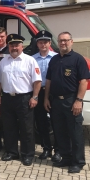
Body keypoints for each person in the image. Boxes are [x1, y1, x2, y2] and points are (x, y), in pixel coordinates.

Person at [44, 32, 90, 173]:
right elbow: (49, 81)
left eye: (65, 40)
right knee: (60, 132)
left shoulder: (78, 59)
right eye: (60, 41)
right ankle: (66, 158)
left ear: (71, 41)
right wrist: (46, 98)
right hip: (56, 102)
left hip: (72, 101)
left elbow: (84, 81)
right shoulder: (54, 59)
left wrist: (79, 101)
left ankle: (78, 162)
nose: (63, 43)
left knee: (75, 133)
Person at [0, 34, 41, 166]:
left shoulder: (30, 60)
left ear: (22, 46)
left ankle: (27, 154)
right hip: (7, 98)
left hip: (24, 99)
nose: (14, 47)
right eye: (11, 45)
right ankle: (11, 152)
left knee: (26, 128)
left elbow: (37, 81)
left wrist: (35, 97)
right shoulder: (4, 61)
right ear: (9, 46)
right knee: (9, 127)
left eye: (17, 45)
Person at [32, 30, 60, 162]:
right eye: (40, 42)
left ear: (50, 43)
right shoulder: (32, 59)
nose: (43, 44)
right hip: (39, 91)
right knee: (41, 122)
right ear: (37, 44)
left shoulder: (57, 58)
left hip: (53, 92)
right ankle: (46, 148)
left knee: (56, 122)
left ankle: (58, 150)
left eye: (46, 42)